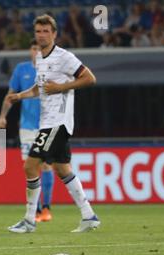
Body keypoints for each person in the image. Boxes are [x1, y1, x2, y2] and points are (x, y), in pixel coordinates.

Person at [6, 14, 100, 233]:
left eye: (46, 31)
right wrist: (19, 96)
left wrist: (61, 88)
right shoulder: (40, 58)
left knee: (30, 165)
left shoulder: (64, 57)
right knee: (62, 169)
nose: (41, 35)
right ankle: (89, 215)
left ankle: (30, 220)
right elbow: (40, 89)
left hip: (57, 123)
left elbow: (90, 78)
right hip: (48, 123)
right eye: (38, 31)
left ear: (54, 34)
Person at [0, 39, 54, 234]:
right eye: (34, 48)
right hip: (26, 128)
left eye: (40, 47)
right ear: (30, 50)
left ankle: (46, 208)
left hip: (47, 125)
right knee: (30, 168)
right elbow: (10, 94)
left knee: (45, 165)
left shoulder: (52, 68)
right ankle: (35, 210)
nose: (36, 51)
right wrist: (2, 116)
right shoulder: (21, 70)